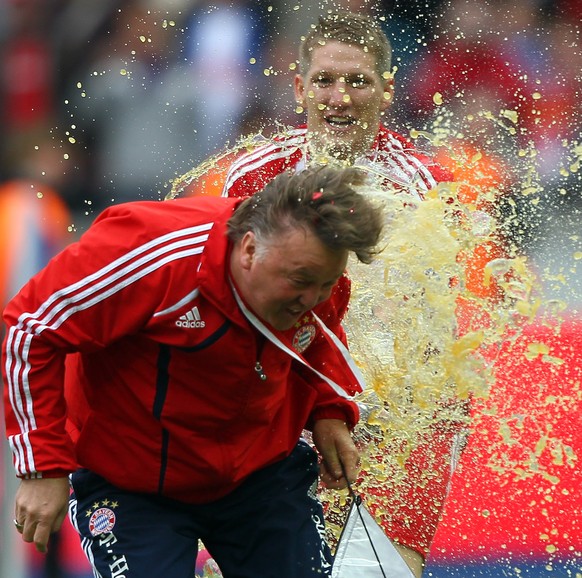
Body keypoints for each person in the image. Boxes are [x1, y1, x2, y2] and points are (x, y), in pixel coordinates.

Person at [2, 165, 385, 578]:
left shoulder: (316, 274)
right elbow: (31, 329)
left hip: (259, 474)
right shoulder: (150, 251)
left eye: (326, 284)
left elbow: (318, 337)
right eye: (300, 280)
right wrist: (42, 468)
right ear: (250, 249)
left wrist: (329, 410)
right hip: (130, 484)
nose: (311, 298)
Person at [218, 11, 467, 577]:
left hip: (401, 415)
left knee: (387, 569)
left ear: (386, 88)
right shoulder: (256, 175)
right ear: (300, 87)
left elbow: (433, 337)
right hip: (283, 402)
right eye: (326, 80)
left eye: (357, 81)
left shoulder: (422, 184)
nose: (341, 96)